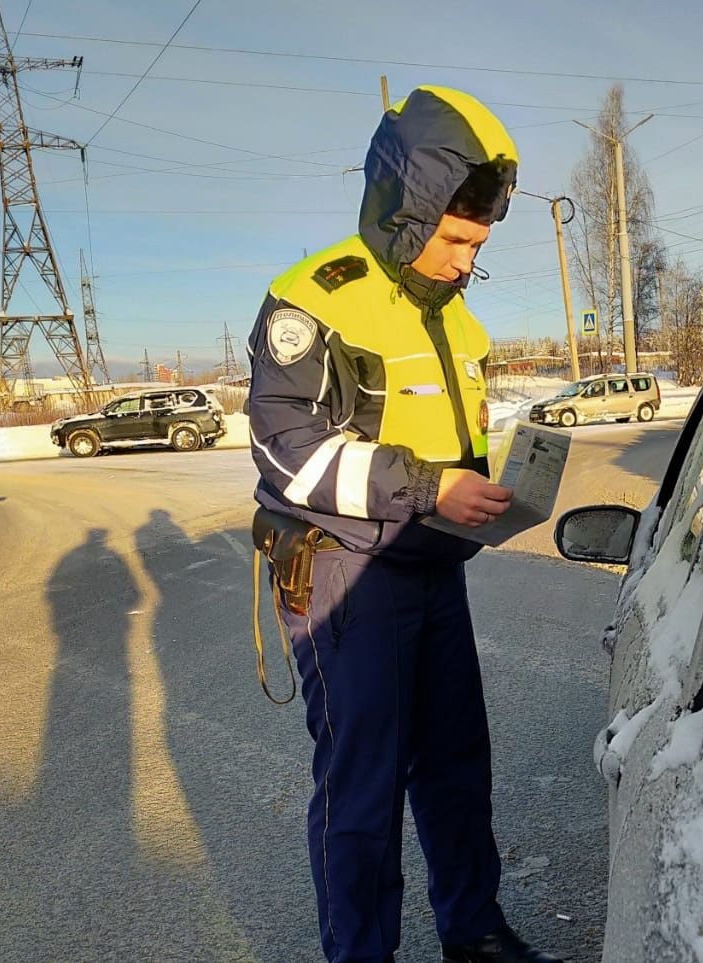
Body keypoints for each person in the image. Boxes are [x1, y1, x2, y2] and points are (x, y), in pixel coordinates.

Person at [246, 86, 561, 963]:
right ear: (407, 207)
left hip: (430, 567)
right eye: (456, 239)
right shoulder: (316, 299)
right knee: (363, 788)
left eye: (478, 244)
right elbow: (288, 451)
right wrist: (430, 487)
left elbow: (447, 432)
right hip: (343, 570)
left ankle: (475, 930)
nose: (466, 261)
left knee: (459, 765)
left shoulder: (454, 313)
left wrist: (490, 488)